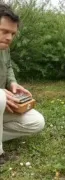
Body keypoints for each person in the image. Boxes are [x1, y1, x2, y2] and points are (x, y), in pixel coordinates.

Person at [0, 3, 45, 164]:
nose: (9, 38)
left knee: (36, 122)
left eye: (12, 33)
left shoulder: (4, 47)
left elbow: (8, 66)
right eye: (4, 31)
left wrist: (12, 84)